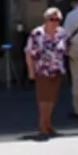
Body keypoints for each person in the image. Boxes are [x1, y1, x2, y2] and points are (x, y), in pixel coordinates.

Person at [25, 8, 69, 139]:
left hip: (56, 69)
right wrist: (31, 71)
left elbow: (65, 50)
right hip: (42, 69)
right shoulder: (37, 33)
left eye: (57, 20)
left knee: (52, 99)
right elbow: (28, 53)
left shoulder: (62, 33)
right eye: (52, 19)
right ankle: (42, 125)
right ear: (46, 19)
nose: (55, 22)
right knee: (43, 98)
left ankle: (47, 123)